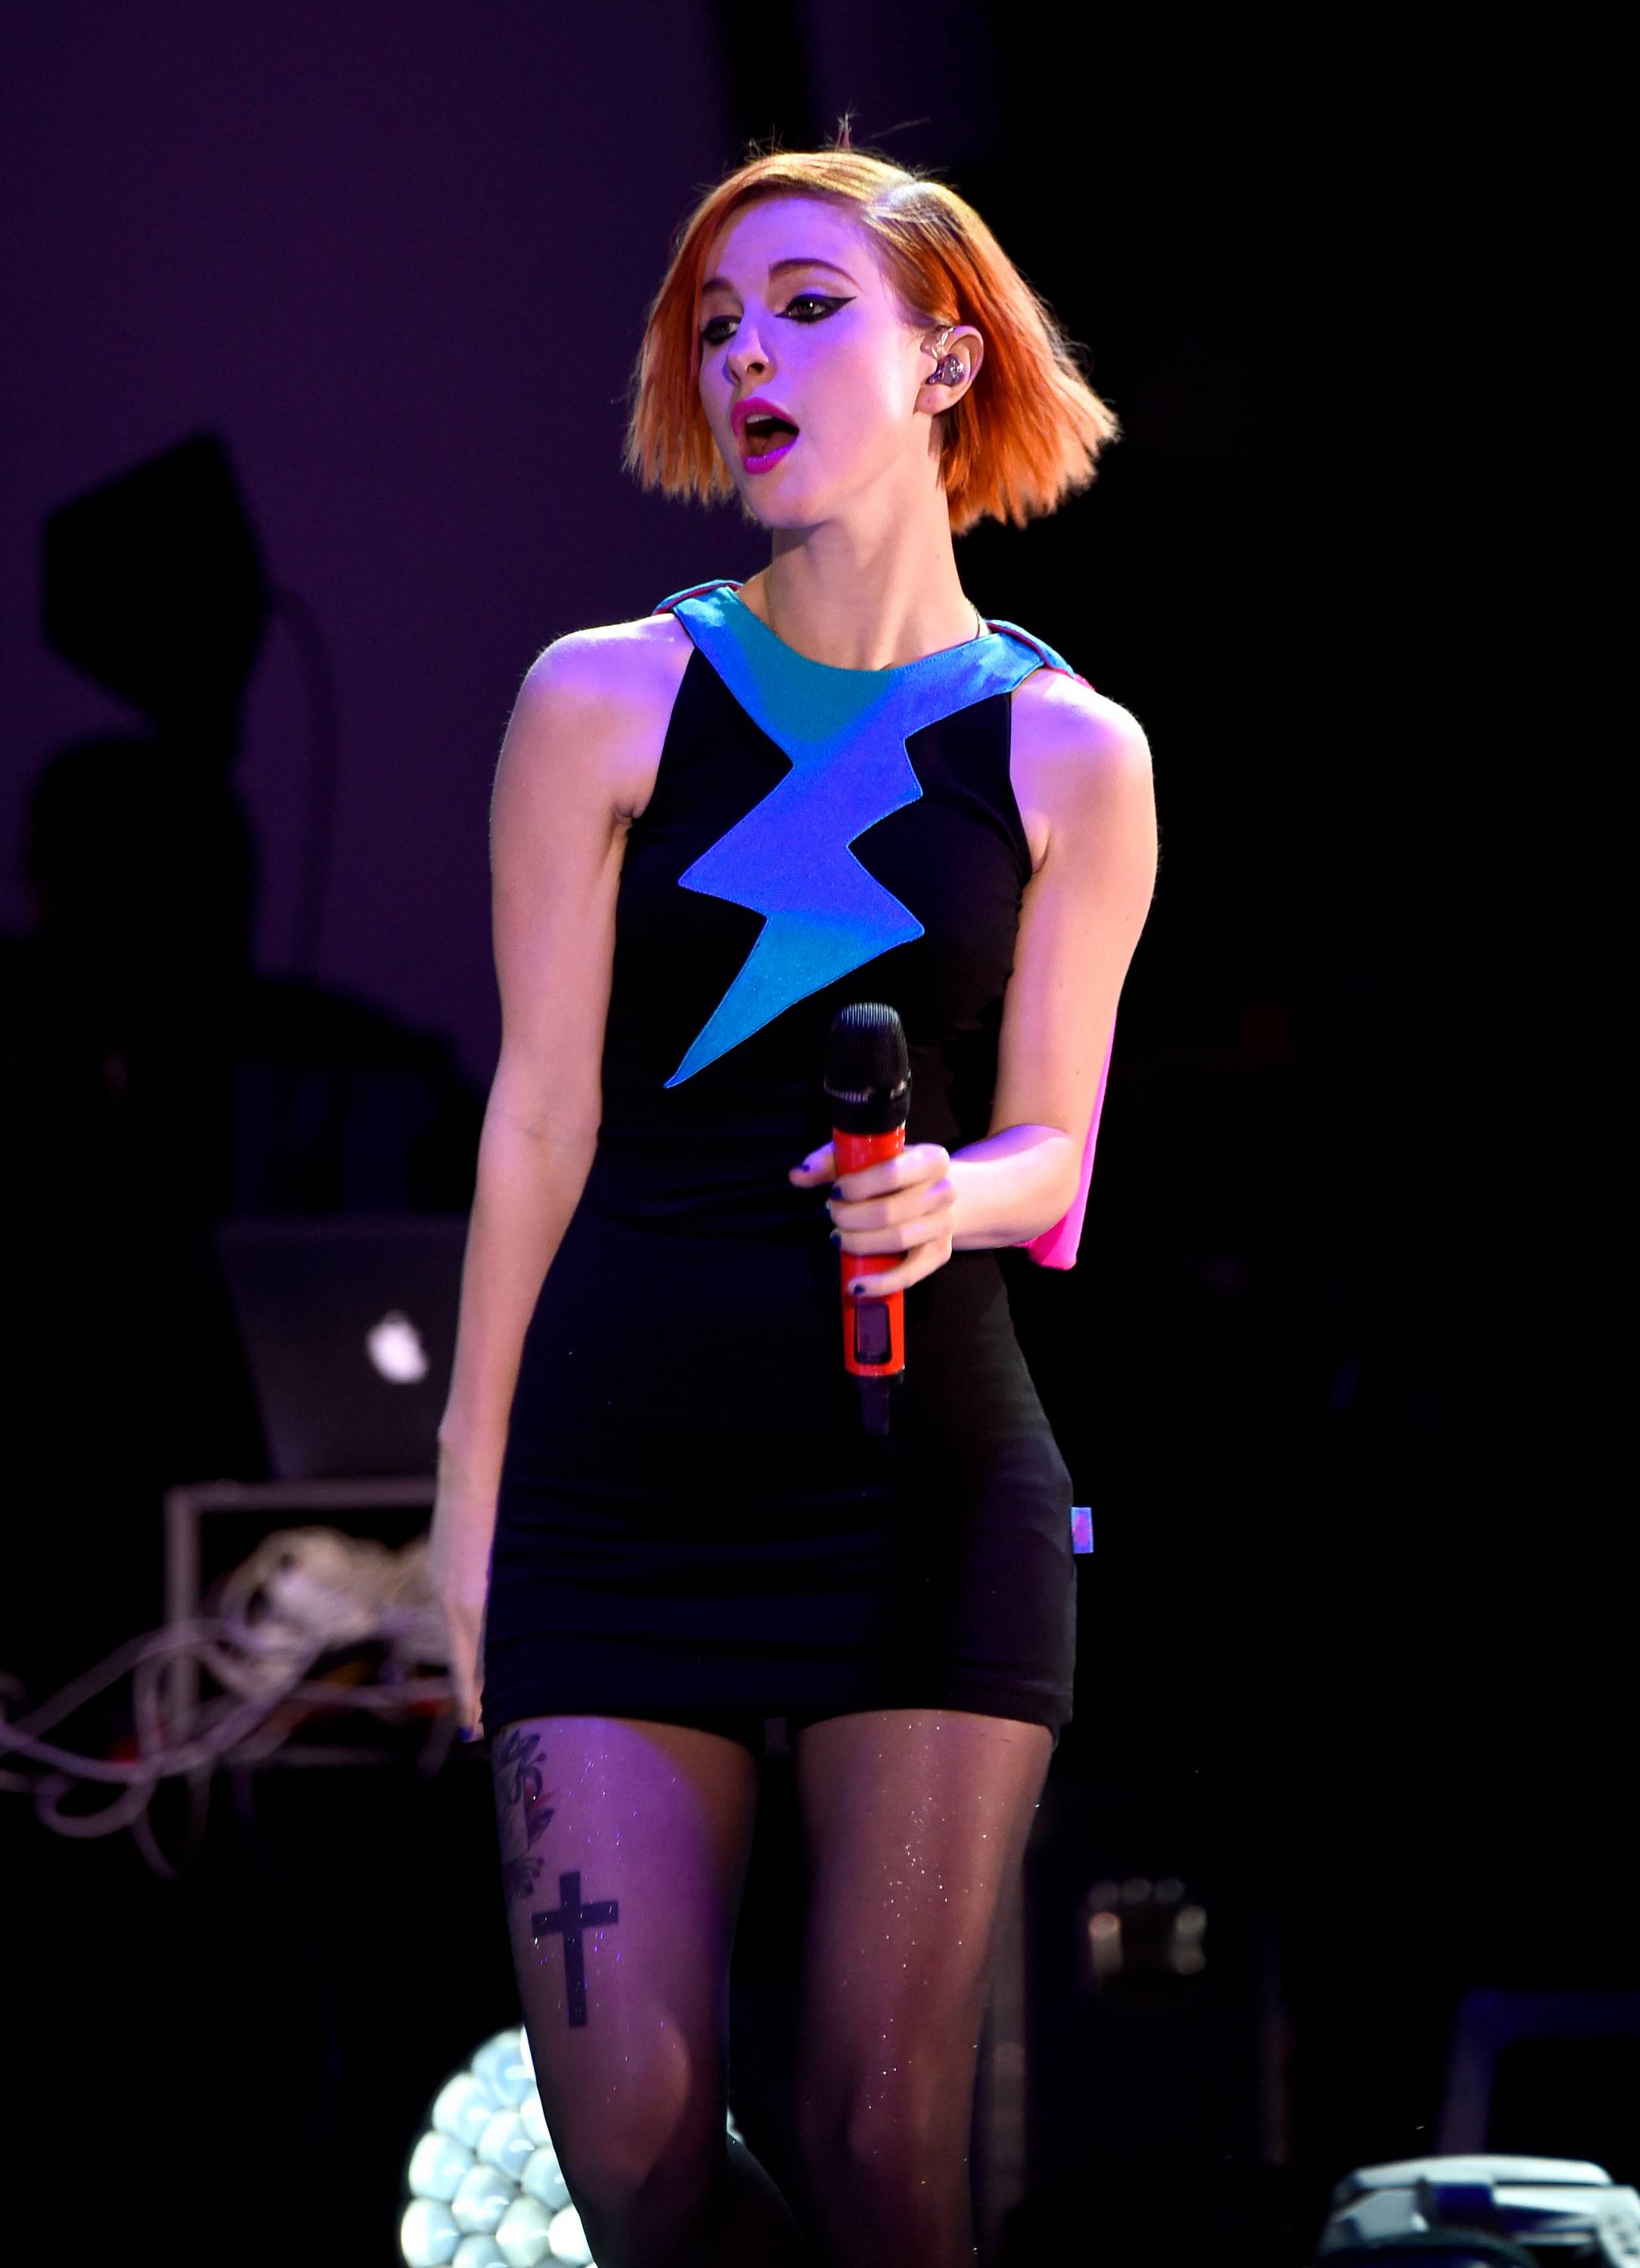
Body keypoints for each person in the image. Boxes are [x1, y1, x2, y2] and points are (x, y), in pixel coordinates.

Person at [430, 138, 1158, 2268]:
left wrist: (948, 1192)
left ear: (947, 358)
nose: (749, 354)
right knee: (637, 2154)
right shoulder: (602, 697)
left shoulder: (1073, 752)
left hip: (917, 1492)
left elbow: (1057, 1157)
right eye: (718, 324)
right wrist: (467, 1492)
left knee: (875, 2147)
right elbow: (534, 1122)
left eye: (809, 307)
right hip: (616, 1489)